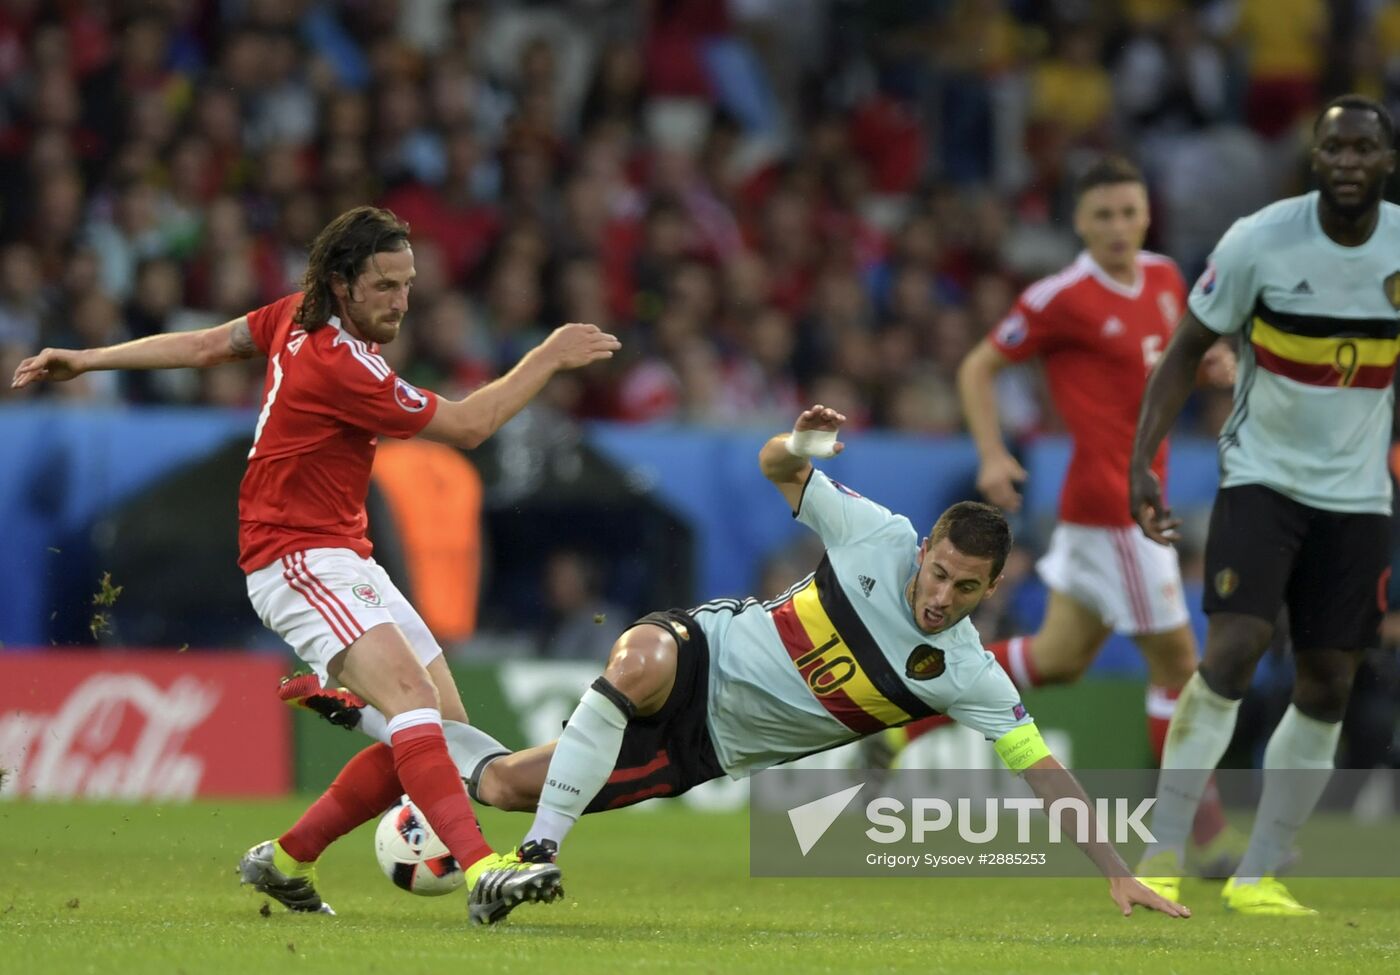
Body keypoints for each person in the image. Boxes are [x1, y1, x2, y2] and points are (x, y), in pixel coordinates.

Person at [10, 206, 621, 925]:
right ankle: (484, 868)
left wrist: (89, 356)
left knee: (438, 736)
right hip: (294, 558)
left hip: (343, 554)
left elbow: (209, 344)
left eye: (408, 284)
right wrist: (548, 353)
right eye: (386, 285)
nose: (401, 300)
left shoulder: (291, 320)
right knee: (416, 709)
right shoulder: (341, 364)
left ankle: (289, 856)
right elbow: (469, 425)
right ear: (342, 283)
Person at [455, 405, 1185, 918]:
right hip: (705, 651)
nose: (941, 596)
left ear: (993, 587)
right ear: (925, 549)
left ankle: (398, 731)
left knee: (504, 781)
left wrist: (1118, 875)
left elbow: (1043, 772)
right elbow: (772, 463)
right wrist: (799, 443)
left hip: (706, 746)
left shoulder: (968, 672)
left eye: (966, 588)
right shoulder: (875, 533)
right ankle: (540, 851)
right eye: (939, 572)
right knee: (638, 658)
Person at [873, 157, 1243, 877]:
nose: (1117, 227)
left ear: (1146, 215)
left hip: (1118, 506)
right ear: (1078, 221)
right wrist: (989, 454)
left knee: (1058, 658)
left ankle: (909, 713)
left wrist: (1210, 365)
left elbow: (1172, 362)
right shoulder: (1060, 297)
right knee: (1180, 669)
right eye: (1102, 214)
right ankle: (1201, 839)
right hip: (1113, 509)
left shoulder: (1168, 278)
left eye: (1129, 212)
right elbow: (978, 365)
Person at [1128, 95, 1400, 916]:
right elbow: (1184, 349)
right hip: (1263, 478)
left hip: (1358, 497)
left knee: (1327, 681)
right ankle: (1162, 852)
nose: (1348, 161)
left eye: (1363, 149)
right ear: (1313, 158)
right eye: (1334, 147)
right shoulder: (1259, 241)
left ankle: (1261, 869)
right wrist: (1143, 461)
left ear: (1385, 162)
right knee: (1237, 648)